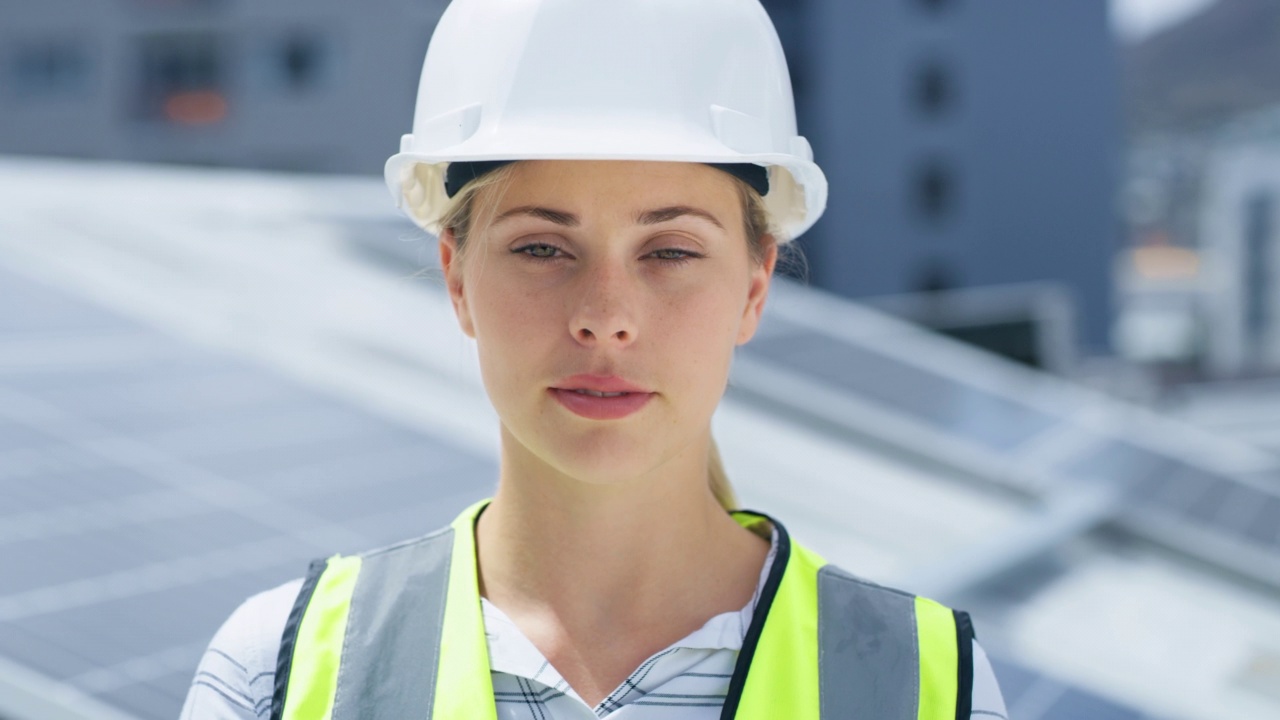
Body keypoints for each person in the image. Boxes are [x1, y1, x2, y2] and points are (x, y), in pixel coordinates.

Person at [181, 0, 1008, 718]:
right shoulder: (278, 679)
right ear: (457, 278)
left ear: (754, 288)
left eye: (671, 252)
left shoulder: (929, 689)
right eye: (542, 248)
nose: (604, 318)